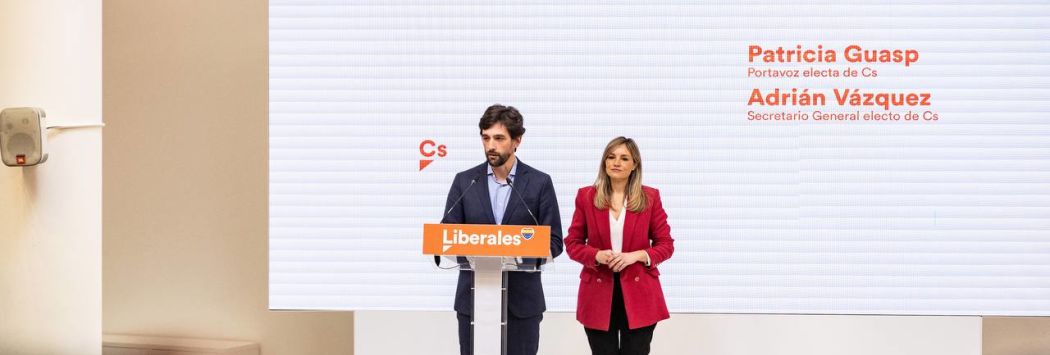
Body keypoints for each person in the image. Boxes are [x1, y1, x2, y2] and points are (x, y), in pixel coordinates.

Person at [441, 104, 564, 355]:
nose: (490, 146)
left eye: (499, 138)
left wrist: (516, 256)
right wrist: (479, 255)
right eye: (485, 138)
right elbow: (447, 235)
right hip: (474, 301)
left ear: (517, 140)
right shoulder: (465, 181)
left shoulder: (539, 183)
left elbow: (554, 241)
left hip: (522, 304)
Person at [565, 136, 675, 355]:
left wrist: (636, 255)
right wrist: (596, 255)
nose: (616, 162)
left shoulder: (650, 197)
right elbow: (572, 243)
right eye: (611, 157)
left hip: (639, 294)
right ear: (604, 162)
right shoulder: (586, 196)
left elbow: (666, 245)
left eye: (624, 158)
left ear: (634, 165)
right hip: (597, 291)